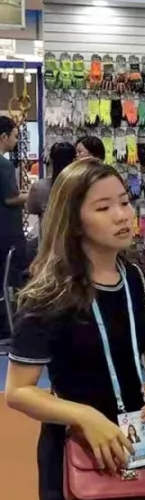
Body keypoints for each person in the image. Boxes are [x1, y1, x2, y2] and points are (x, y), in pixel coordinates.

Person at [4, 159, 145, 500]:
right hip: (81, 457)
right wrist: (84, 416)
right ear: (73, 219)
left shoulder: (134, 275)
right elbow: (19, 392)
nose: (122, 215)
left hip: (137, 452)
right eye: (103, 208)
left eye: (124, 202)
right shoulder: (48, 292)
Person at [0, 115, 29, 335]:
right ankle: (12, 327)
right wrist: (32, 195)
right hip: (7, 232)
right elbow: (10, 199)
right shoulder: (4, 164)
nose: (17, 140)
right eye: (15, 136)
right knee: (13, 278)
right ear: (4, 137)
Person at [27, 141, 77, 238]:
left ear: (51, 160)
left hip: (49, 240)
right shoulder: (83, 185)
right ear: (74, 161)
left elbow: (31, 208)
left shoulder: (40, 187)